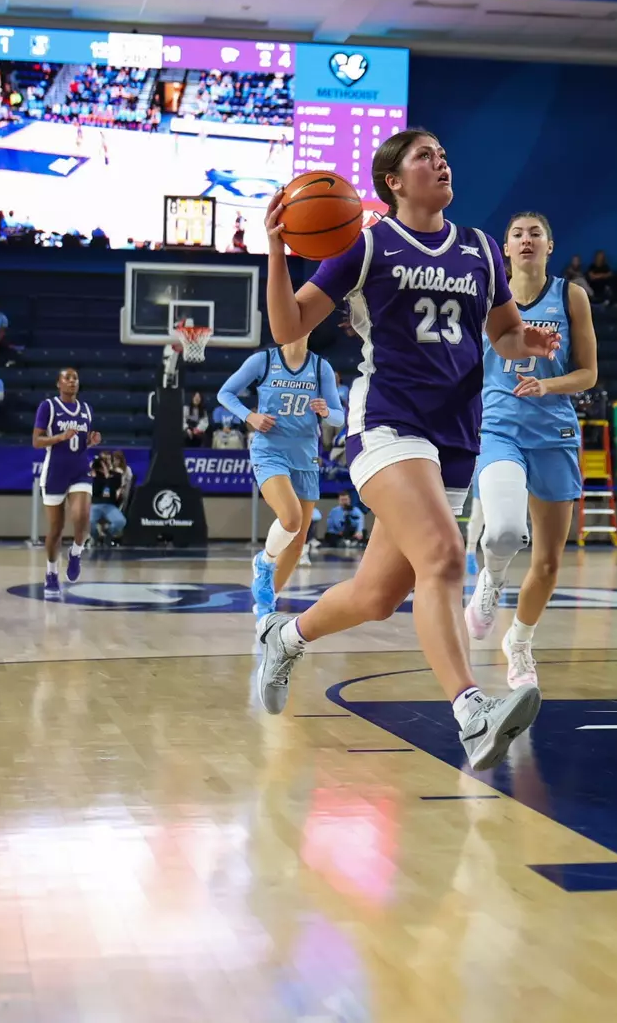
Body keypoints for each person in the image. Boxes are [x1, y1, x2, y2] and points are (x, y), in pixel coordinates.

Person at [254, 128, 558, 771]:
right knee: (446, 557)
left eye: (444, 153)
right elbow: (288, 327)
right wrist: (279, 252)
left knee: (376, 595)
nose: (441, 160)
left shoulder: (479, 248)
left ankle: (284, 636)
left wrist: (523, 339)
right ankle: (472, 713)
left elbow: (500, 331)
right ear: (392, 181)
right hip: (388, 423)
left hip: (456, 435)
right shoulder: (368, 243)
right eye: (426, 156)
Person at [464, 211, 599, 690]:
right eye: (517, 234)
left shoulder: (571, 296)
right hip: (498, 429)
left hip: (555, 435)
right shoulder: (483, 298)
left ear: (549, 245)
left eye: (535, 233)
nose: (526, 240)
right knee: (502, 531)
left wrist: (548, 385)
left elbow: (588, 374)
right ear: (505, 248)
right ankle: (491, 581)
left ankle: (518, 643)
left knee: (547, 562)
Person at [217, 336, 345, 617]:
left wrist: (326, 411)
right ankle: (265, 561)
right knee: (291, 518)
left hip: (306, 457)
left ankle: (265, 604)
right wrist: (249, 416)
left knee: (298, 542)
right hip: (270, 451)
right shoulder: (262, 361)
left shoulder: (320, 367)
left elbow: (339, 417)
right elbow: (225, 394)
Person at [34, 368, 101, 600]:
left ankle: (76, 552)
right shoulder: (48, 407)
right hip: (55, 472)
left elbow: (81, 444)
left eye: (75, 378)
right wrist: (60, 437)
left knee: (82, 517)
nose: (72, 382)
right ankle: (51, 573)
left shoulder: (86, 409)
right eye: (67, 378)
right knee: (56, 530)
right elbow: (36, 441)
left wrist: (91, 441)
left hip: (80, 469)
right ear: (58, 384)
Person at [89, 450, 131, 545]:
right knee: (89, 522)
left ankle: (108, 534)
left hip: (110, 505)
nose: (105, 462)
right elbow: (95, 491)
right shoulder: (95, 475)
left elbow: (114, 487)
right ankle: (95, 537)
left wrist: (107, 474)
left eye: (107, 460)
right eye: (103, 460)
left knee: (121, 521)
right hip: (95, 504)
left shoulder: (117, 474)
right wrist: (94, 476)